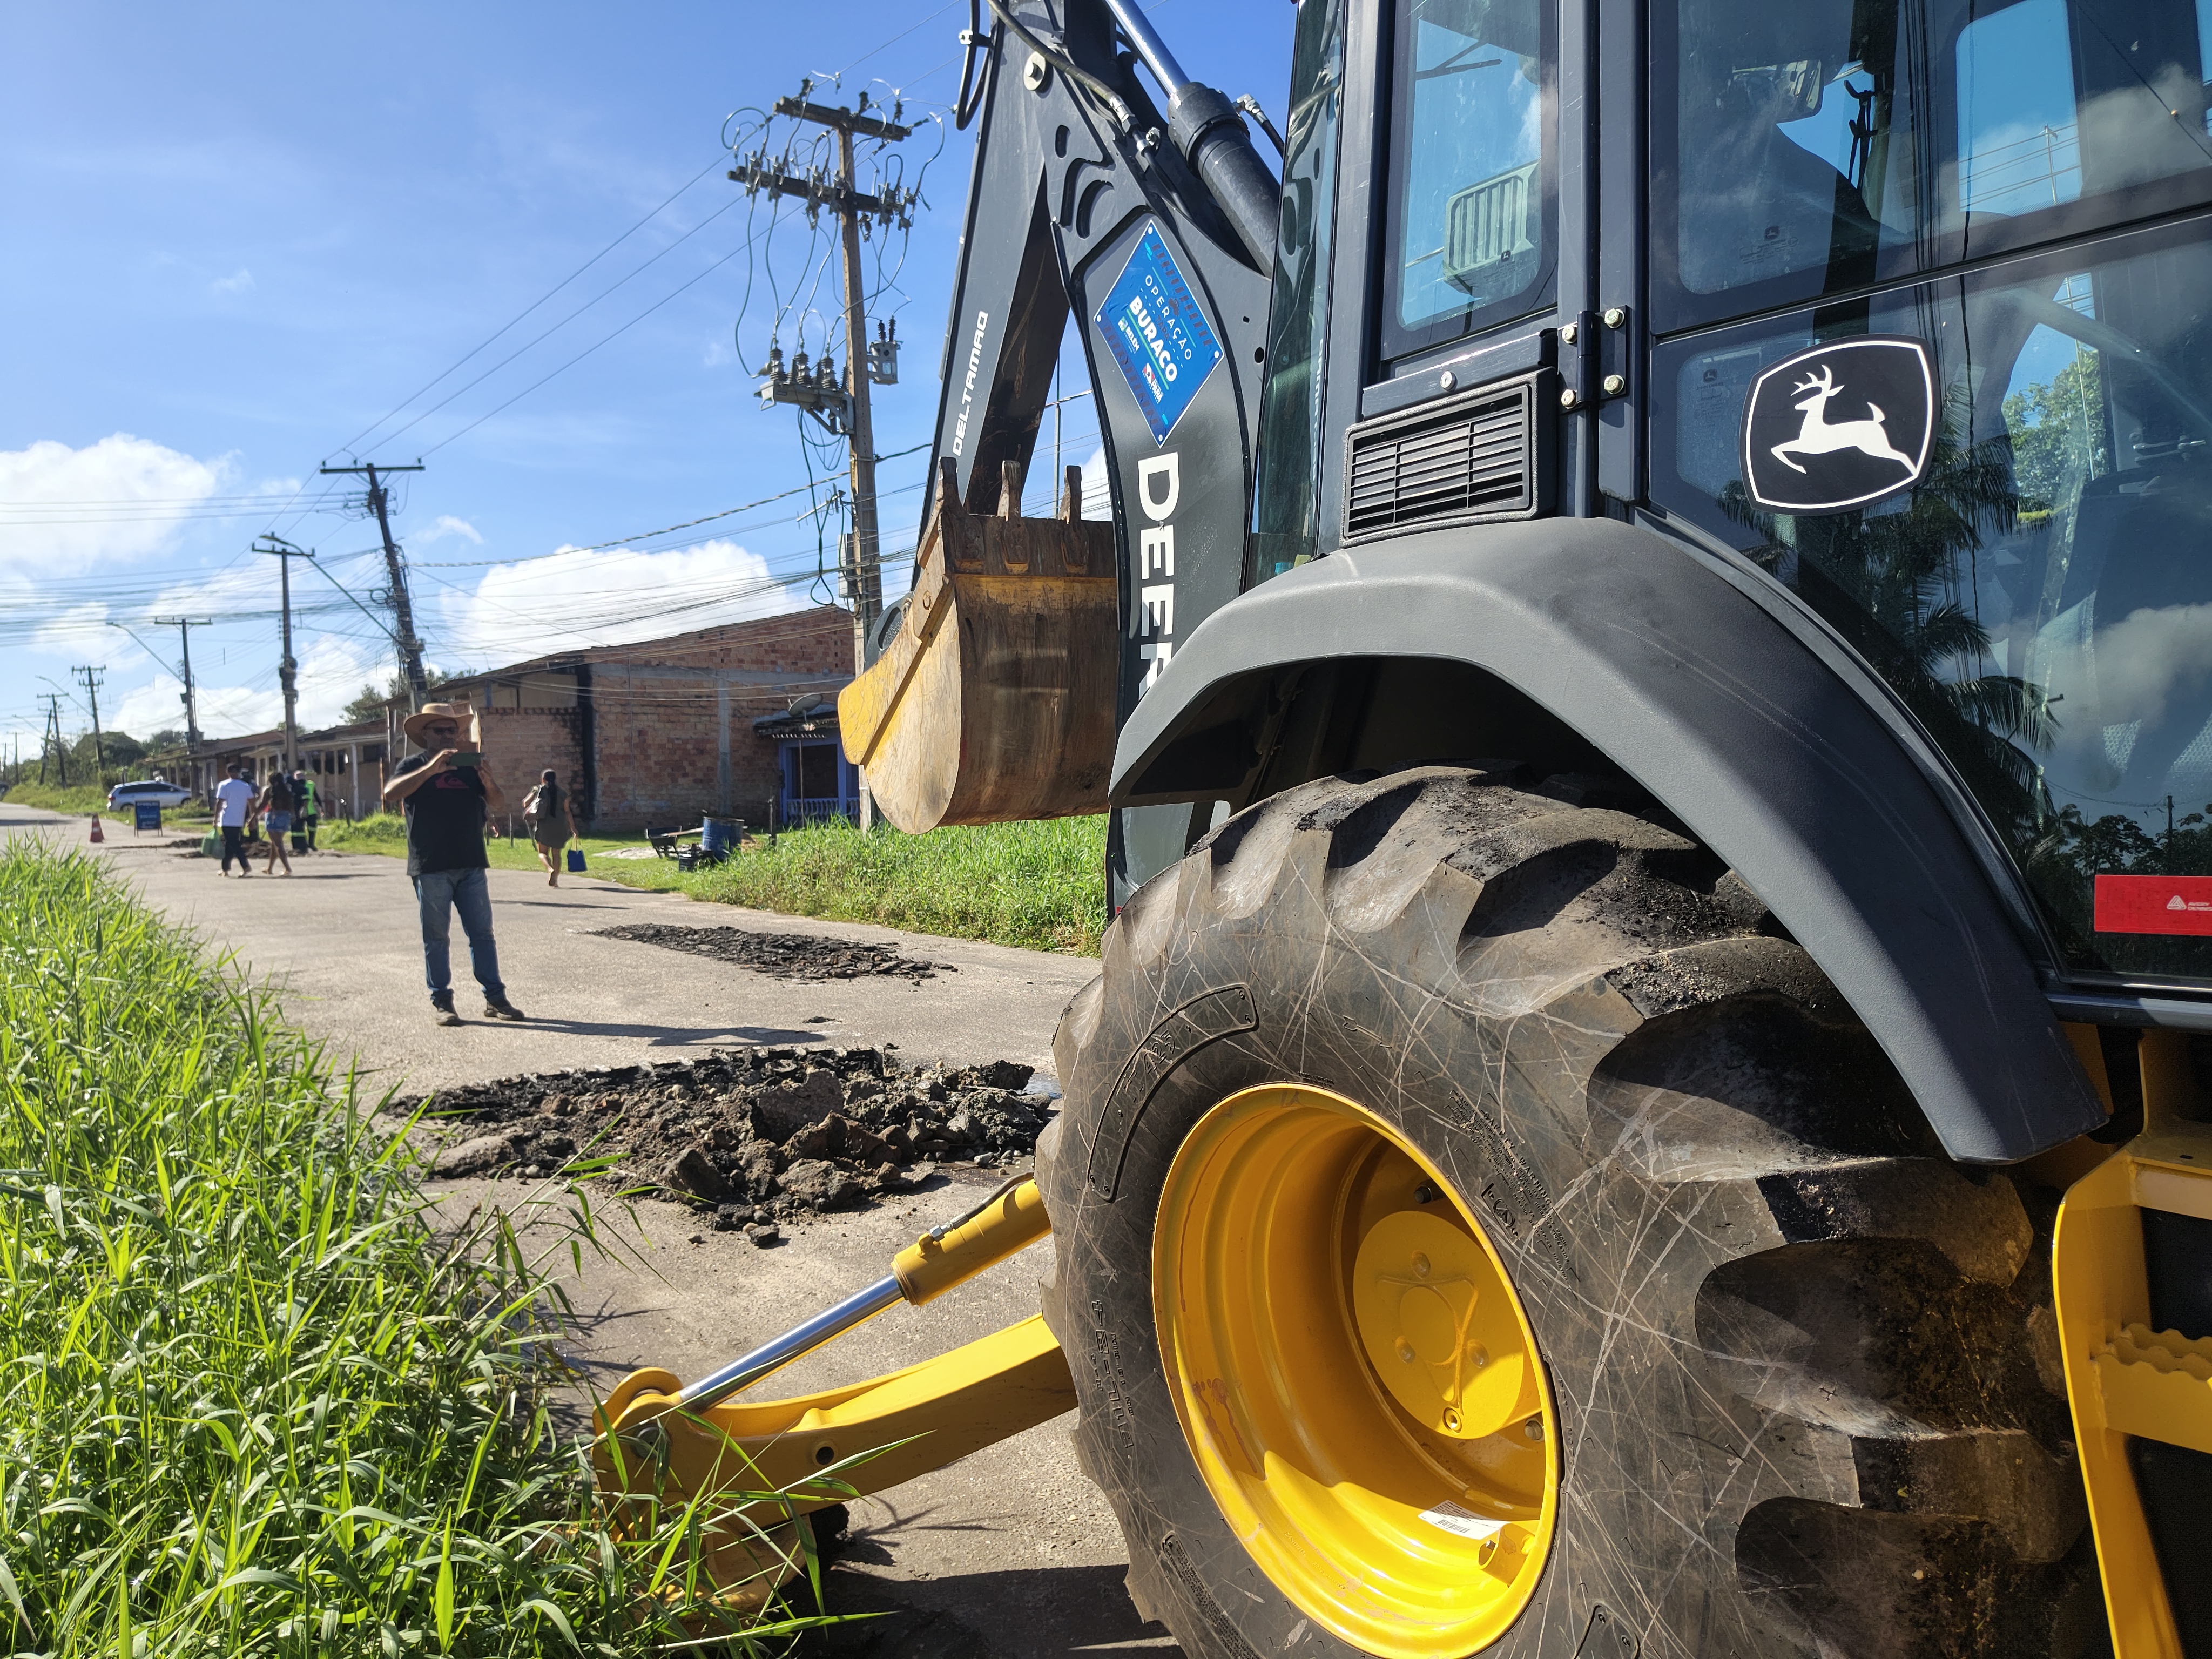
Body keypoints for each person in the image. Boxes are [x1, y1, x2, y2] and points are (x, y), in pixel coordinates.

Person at [382, 703, 527, 1027]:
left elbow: (499, 802)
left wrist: (487, 781)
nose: (448, 735)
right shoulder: (413, 764)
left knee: (482, 934)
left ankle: (495, 998)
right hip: (431, 864)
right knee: (436, 937)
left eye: (452, 730)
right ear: (425, 735)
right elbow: (391, 795)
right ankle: (443, 1002)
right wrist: (431, 769)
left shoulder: (468, 768)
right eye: (439, 730)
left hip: (471, 863)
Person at [522, 769, 578, 887]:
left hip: (544, 825)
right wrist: (573, 829)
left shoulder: (538, 789)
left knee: (543, 853)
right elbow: (567, 812)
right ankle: (556, 881)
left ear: (543, 779)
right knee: (557, 854)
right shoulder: (563, 793)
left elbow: (525, 803)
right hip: (560, 826)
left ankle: (550, 869)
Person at [213, 764, 257, 876]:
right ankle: (225, 868)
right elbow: (252, 802)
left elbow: (220, 803)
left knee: (234, 844)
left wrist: (216, 818)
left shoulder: (224, 785)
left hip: (227, 819)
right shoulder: (245, 786)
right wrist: (252, 818)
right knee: (230, 844)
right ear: (239, 772)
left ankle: (246, 866)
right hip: (239, 819)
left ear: (227, 772)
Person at [256, 772, 294, 876]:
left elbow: (263, 804)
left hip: (273, 816)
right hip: (285, 816)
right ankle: (269, 868)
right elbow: (292, 804)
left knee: (278, 845)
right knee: (275, 843)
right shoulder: (287, 789)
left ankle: (287, 868)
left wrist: (253, 817)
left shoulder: (269, 790)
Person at [292, 769, 318, 852]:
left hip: (305, 811)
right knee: (304, 830)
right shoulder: (305, 785)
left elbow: (316, 796)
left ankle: (309, 844)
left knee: (310, 829)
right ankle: (306, 845)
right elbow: (316, 797)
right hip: (306, 811)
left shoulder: (298, 786)